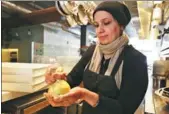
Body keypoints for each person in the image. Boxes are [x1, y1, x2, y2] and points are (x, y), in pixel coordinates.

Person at [44, 1, 148, 114]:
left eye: (106, 23)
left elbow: (124, 109)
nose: (100, 30)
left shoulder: (136, 60)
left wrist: (85, 95)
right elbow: (72, 79)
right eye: (97, 25)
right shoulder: (92, 51)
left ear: (121, 26)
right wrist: (59, 80)